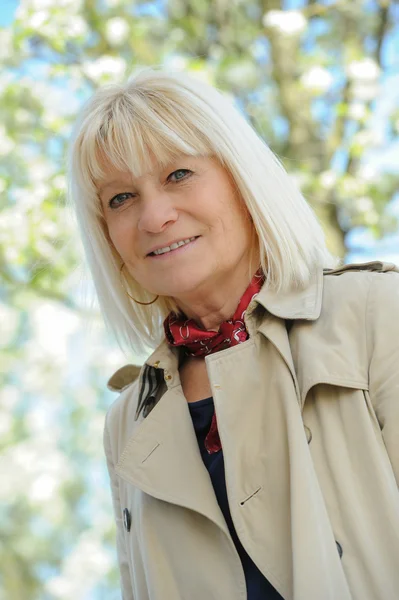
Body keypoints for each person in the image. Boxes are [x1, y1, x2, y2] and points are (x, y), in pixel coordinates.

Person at [68, 68, 399, 600]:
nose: (155, 216)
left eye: (178, 174)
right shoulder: (128, 421)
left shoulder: (378, 315)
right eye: (121, 198)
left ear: (243, 181)